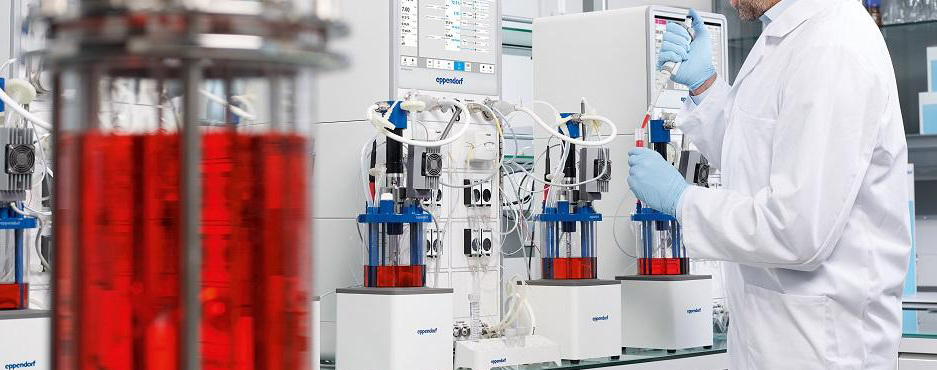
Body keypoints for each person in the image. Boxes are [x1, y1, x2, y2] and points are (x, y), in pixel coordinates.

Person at [626, 0, 912, 369]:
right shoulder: (786, 35)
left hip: (825, 348)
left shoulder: (834, 45)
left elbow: (796, 229)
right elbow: (755, 156)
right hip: (775, 339)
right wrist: (704, 86)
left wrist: (682, 200)